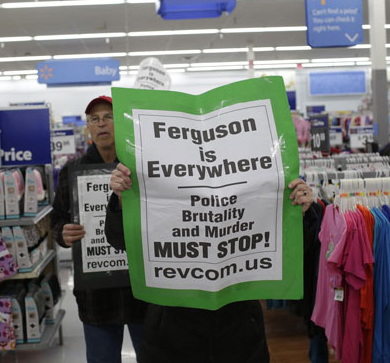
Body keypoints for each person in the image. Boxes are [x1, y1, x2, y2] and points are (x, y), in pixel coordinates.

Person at [106, 162, 316, 363]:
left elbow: (291, 250)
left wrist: (299, 214)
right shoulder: (158, 176)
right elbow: (120, 240)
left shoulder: (249, 177)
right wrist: (124, 202)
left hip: (239, 330)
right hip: (171, 330)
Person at [50, 96, 147, 363]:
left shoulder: (140, 168)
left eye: (108, 117)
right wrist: (62, 233)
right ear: (89, 128)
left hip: (141, 291)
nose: (101, 123)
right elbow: (56, 219)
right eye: (95, 119)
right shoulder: (72, 171)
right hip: (96, 297)